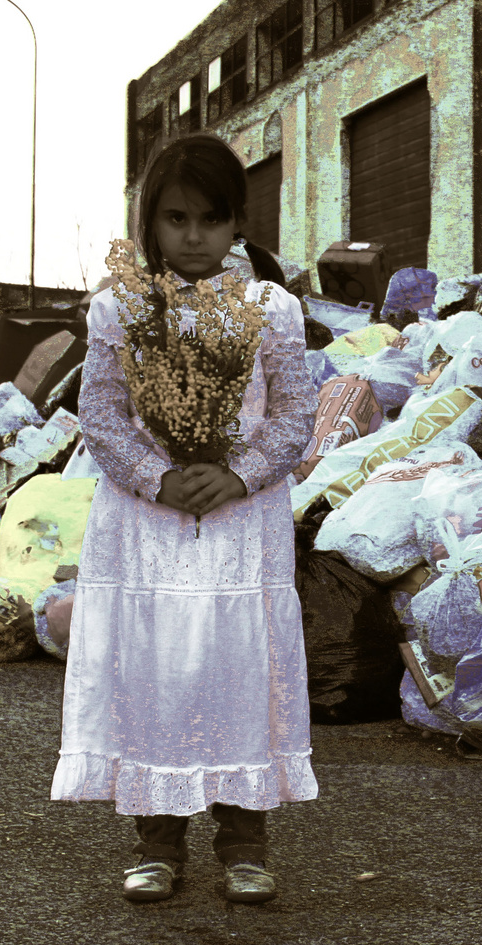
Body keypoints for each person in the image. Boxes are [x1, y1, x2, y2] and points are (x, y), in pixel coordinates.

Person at [49, 132, 316, 904]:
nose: (193, 237)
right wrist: (154, 477)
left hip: (242, 523)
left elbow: (295, 414)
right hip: (145, 523)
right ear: (149, 223)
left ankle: (244, 840)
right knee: (155, 669)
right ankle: (155, 840)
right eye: (175, 219)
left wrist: (238, 474)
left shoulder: (272, 308)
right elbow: (98, 410)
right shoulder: (119, 309)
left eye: (211, 218)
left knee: (238, 669)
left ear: (238, 222)